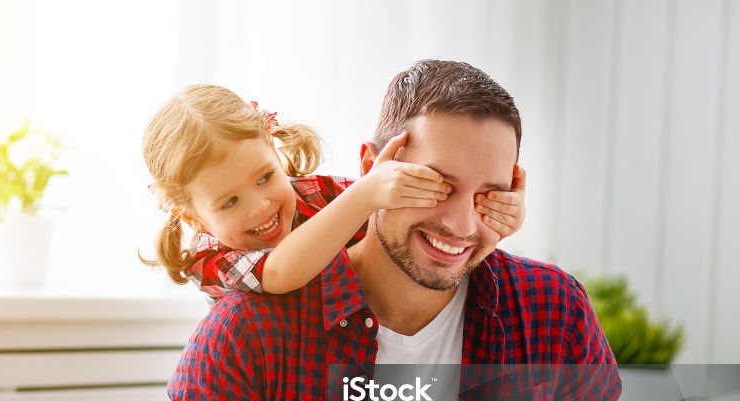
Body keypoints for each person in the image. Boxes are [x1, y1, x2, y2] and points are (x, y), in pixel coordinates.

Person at [142, 60, 642, 401]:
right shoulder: (247, 330)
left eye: (488, 196)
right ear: (372, 170)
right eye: (434, 186)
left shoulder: (551, 307)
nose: (461, 225)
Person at [142, 84, 525, 300]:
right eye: (229, 202)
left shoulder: (315, 195)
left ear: (275, 150)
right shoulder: (209, 257)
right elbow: (277, 273)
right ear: (192, 216)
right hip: (282, 369)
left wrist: (492, 210)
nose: (260, 205)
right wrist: (364, 195)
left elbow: (397, 218)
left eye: (264, 177)